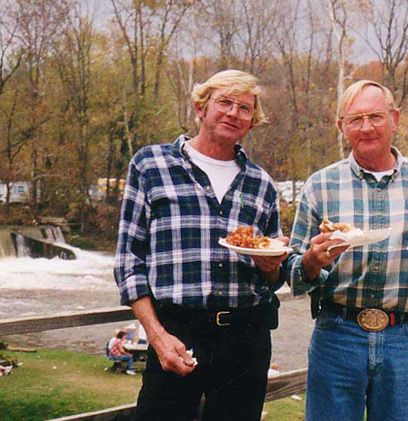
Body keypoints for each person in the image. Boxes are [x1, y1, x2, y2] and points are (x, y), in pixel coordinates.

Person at [287, 80, 408, 421]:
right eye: (355, 119)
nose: (366, 127)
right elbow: (294, 274)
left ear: (394, 119)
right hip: (337, 336)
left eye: (375, 116)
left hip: (404, 337)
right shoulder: (320, 185)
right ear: (342, 127)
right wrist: (311, 261)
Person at [114, 70, 288, 421]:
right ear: (200, 107)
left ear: (252, 122)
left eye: (244, 108)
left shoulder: (261, 184)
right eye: (224, 102)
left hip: (247, 336)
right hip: (178, 331)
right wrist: (157, 336)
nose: (233, 113)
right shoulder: (151, 165)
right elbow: (129, 261)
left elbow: (274, 274)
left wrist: (272, 267)